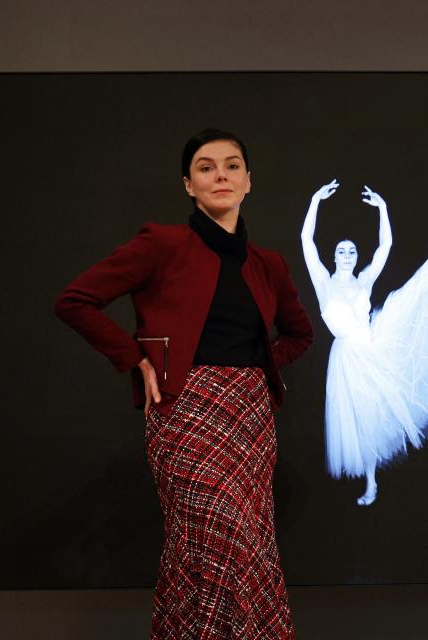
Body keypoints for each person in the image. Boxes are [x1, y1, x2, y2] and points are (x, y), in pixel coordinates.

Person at [54, 129, 312, 639]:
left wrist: (257, 374)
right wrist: (138, 360)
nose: (221, 174)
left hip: (249, 421)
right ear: (189, 186)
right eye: (206, 166)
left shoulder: (268, 264)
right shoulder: (162, 244)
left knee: (248, 544)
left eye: (232, 165)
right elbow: (75, 301)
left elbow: (299, 333)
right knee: (219, 535)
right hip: (184, 412)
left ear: (248, 181)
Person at [300, 179, 428, 506]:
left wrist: (382, 209)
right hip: (347, 357)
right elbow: (306, 239)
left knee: (409, 294)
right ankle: (371, 484)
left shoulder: (364, 279)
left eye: (352, 250)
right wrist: (315, 201)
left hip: (373, 343)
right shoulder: (323, 281)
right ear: (333, 255)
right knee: (362, 416)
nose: (348, 255)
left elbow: (385, 248)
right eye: (341, 250)